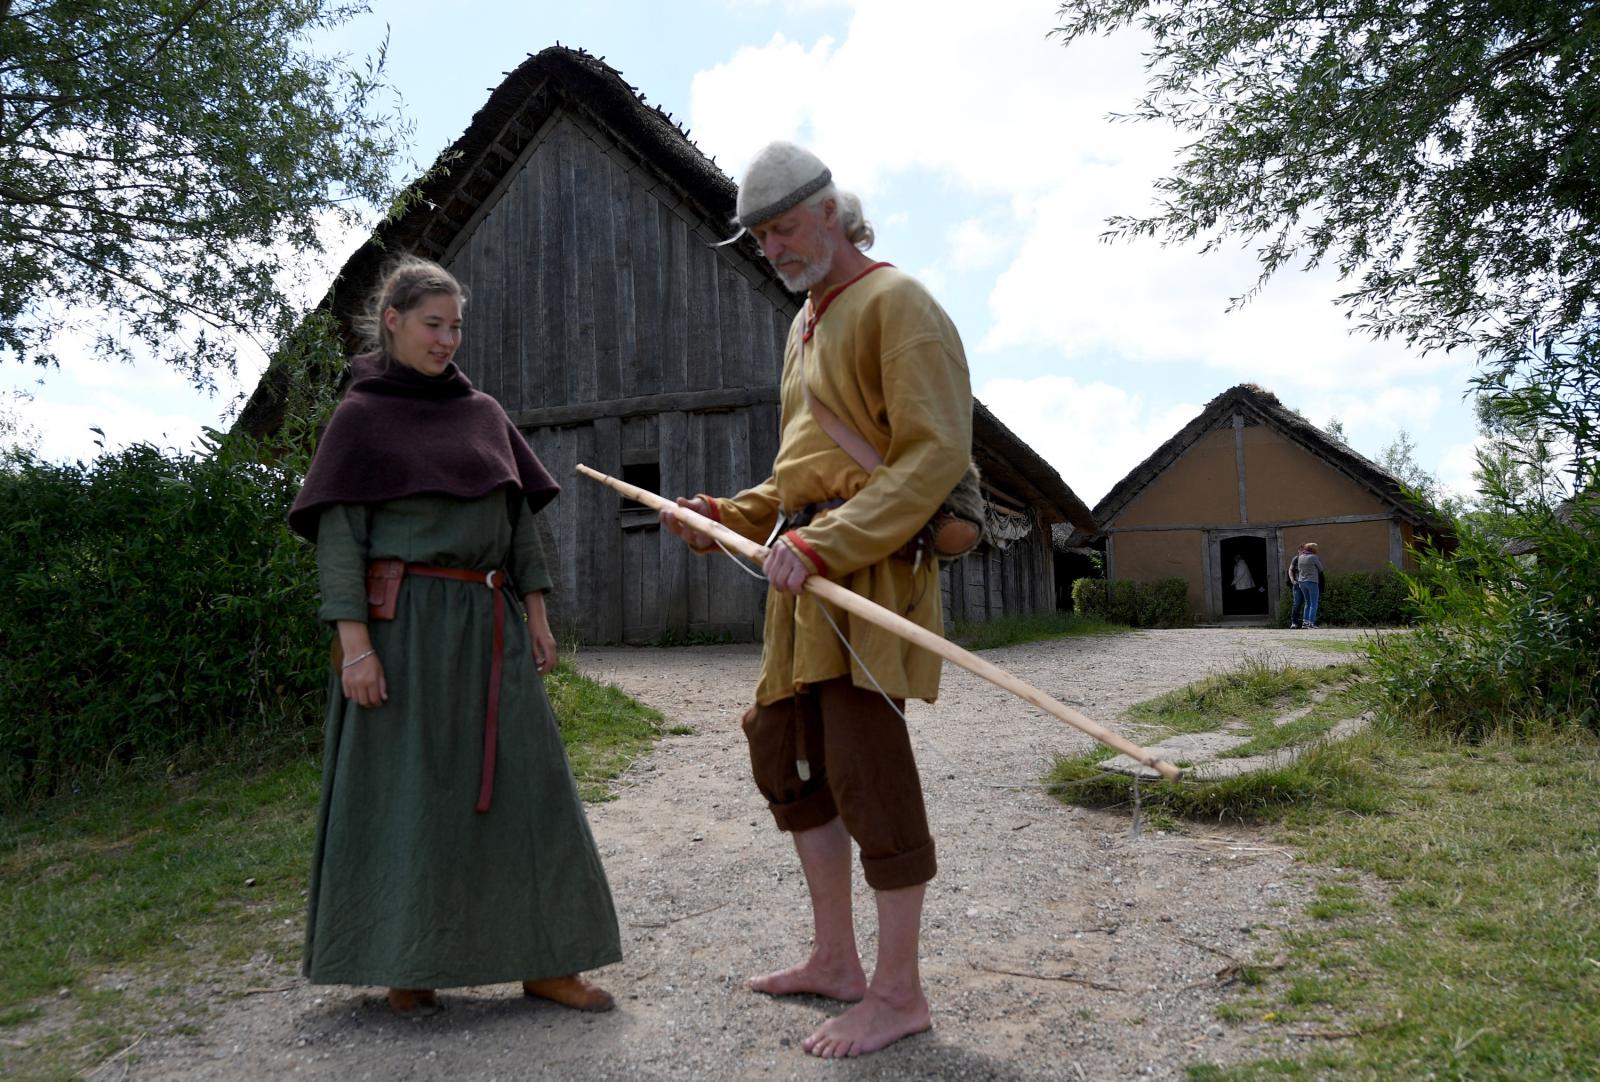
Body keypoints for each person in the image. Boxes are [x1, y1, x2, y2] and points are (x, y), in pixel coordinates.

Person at [662, 142, 971, 1059]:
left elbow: (933, 456)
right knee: (789, 759)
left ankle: (900, 992)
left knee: (867, 768)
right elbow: (801, 476)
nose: (774, 247)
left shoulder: (897, 304)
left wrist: (824, 541)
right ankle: (836, 960)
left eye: (785, 227)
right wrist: (727, 513)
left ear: (831, 211)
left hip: (863, 575)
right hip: (802, 580)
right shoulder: (802, 326)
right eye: (759, 237)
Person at [289, 256, 621, 1017]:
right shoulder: (360, 418)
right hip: (401, 633)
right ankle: (410, 961)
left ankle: (548, 961)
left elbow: (516, 525)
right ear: (393, 322)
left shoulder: (482, 413)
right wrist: (355, 646)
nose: (447, 340)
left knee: (529, 791)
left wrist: (538, 615)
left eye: (456, 326)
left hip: (489, 628)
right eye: (433, 325)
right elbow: (341, 542)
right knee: (411, 796)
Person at [1290, 542, 1327, 629]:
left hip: (1301, 582)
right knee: (1314, 603)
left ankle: (1305, 623)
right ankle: (1311, 623)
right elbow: (1321, 569)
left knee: (1307, 602)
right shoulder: (1314, 557)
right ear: (1313, 549)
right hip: (1312, 581)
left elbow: (1298, 569)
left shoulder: (1300, 557)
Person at [1286, 544, 1308, 628]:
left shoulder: (1308, 559)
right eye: (1301, 550)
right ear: (1298, 551)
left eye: (1305, 550)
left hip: (1306, 584)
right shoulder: (1296, 559)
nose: (1303, 552)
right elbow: (1290, 569)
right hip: (1297, 584)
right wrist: (1292, 580)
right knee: (1297, 604)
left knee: (1308, 603)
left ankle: (1306, 623)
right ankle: (1294, 623)